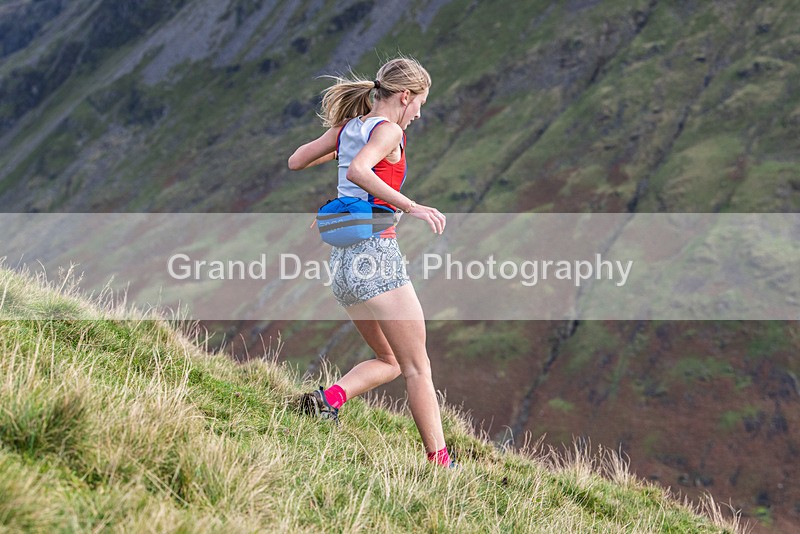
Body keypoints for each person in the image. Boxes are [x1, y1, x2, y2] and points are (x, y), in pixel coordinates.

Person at [287, 57, 455, 468]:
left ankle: (329, 400)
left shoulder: (348, 129)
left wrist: (341, 156)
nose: (418, 113)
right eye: (420, 103)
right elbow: (363, 171)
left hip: (344, 267)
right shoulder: (389, 130)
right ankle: (441, 464)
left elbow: (296, 160)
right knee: (418, 368)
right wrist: (410, 205)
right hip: (376, 258)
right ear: (405, 96)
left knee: (391, 361)